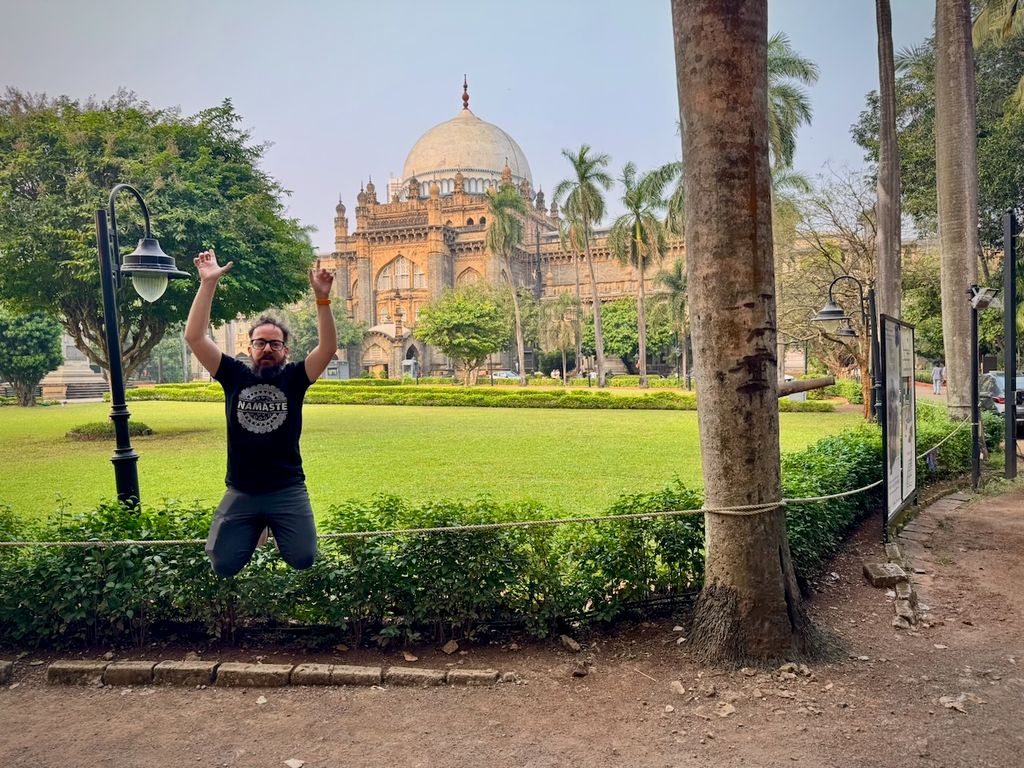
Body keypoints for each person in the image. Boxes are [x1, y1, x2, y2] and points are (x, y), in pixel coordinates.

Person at [184, 250, 337, 577]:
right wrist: (208, 283)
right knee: (223, 564)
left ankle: (271, 523)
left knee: (303, 558)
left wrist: (322, 301)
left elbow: (327, 349)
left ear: (286, 351)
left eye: (275, 344)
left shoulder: (294, 377)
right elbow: (195, 337)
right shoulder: (234, 374)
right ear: (250, 347)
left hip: (287, 489)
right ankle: (258, 525)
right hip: (242, 489)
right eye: (260, 342)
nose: (267, 348)